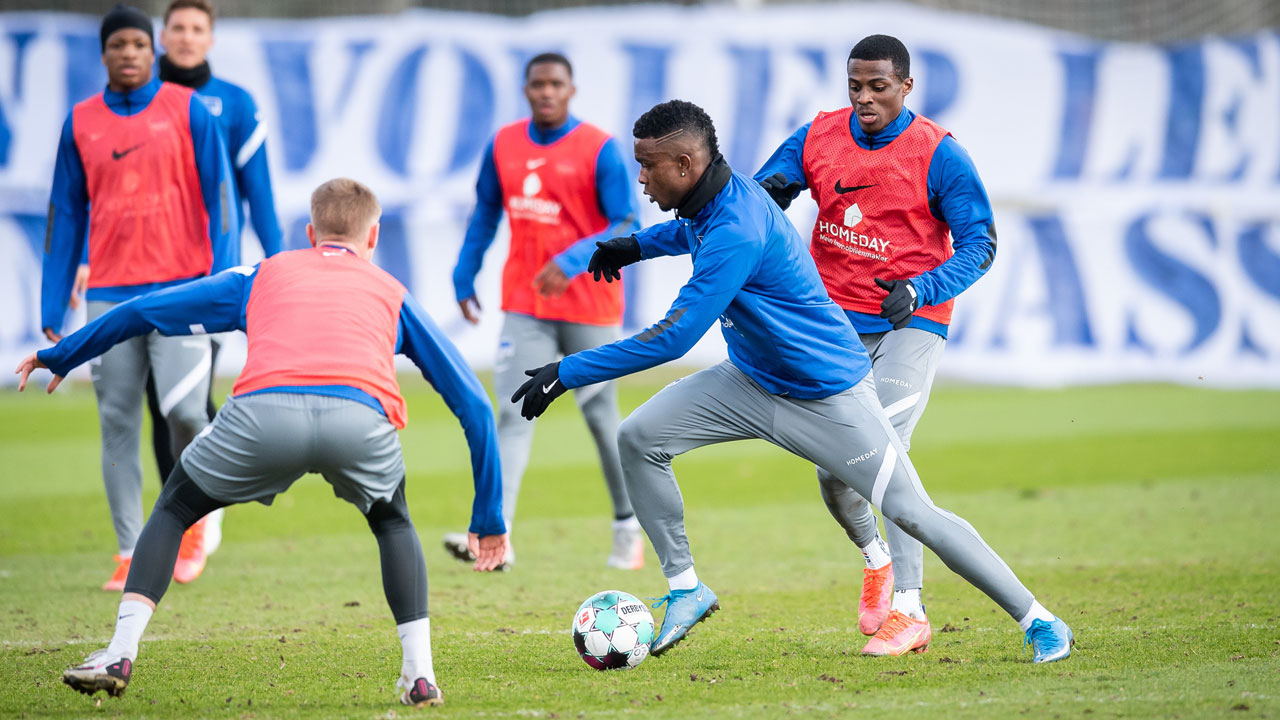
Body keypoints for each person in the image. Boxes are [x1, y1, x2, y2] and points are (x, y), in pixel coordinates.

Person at [512, 100, 1073, 664]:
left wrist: (568, 371)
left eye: (647, 166)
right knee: (639, 439)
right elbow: (690, 232)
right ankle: (686, 589)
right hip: (751, 383)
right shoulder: (717, 202)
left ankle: (1039, 621)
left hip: (828, 397)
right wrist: (634, 246)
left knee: (911, 512)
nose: (640, 178)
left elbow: (672, 339)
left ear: (684, 165)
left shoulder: (737, 226)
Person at [18, 178, 509, 708]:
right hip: (360, 419)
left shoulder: (264, 273)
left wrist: (65, 353)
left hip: (262, 415)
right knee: (392, 521)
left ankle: (119, 651)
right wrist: (488, 517)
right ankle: (420, 676)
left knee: (176, 506)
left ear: (309, 232)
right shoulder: (392, 291)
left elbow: (145, 310)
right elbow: (476, 406)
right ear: (374, 238)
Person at [753, 34, 999, 655]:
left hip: (911, 323)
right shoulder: (818, 135)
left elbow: (980, 244)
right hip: (832, 325)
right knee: (836, 472)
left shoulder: (940, 154)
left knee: (884, 448)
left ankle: (910, 611)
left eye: (878, 87)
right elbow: (758, 201)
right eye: (855, 86)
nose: (864, 98)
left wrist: (921, 290)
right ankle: (875, 558)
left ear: (906, 86)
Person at [41, 3, 237, 592]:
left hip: (183, 291)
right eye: (117, 45)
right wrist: (55, 305)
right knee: (118, 420)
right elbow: (65, 211)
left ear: (152, 53)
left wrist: (224, 285)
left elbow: (222, 198)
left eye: (137, 45)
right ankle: (129, 551)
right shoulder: (81, 122)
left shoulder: (188, 110)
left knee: (182, 411)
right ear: (103, 54)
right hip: (109, 293)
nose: (128, 53)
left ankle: (202, 517)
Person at [446, 52, 642, 570]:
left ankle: (627, 527)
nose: (546, 92)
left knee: (601, 416)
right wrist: (465, 270)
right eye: (537, 84)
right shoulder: (504, 144)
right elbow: (487, 209)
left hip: (591, 303)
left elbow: (627, 219)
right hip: (526, 302)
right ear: (526, 89)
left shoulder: (600, 148)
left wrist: (574, 259)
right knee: (512, 413)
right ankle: (497, 535)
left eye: (556, 84)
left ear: (571, 90)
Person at [134, 0, 287, 560]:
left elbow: (260, 197)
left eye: (198, 28)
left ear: (211, 38)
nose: (187, 37)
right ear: (162, 35)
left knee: (184, 400)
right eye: (178, 27)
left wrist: (281, 268)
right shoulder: (137, 102)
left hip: (209, 274)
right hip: (140, 271)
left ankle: (203, 510)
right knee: (158, 399)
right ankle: (184, 517)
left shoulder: (235, 103)